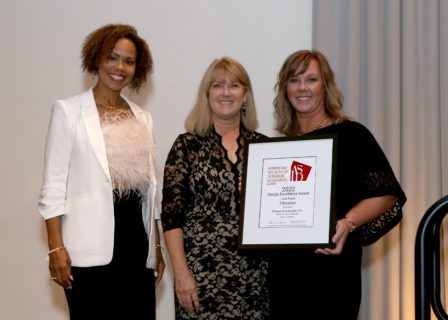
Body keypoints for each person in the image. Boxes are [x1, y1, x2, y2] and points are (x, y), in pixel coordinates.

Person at [269, 49, 407, 320]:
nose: (302, 88)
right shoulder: (281, 147)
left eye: (311, 79)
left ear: (326, 85)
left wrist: (348, 222)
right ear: (285, 88)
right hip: (285, 275)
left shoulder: (352, 135)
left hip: (332, 272)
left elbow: (386, 194)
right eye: (294, 80)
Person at [38, 24, 164, 319]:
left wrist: (156, 247)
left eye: (129, 61)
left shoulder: (143, 117)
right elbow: (53, 186)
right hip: (88, 251)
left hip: (136, 244)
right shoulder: (68, 111)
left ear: (138, 68)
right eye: (112, 57)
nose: (119, 67)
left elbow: (150, 191)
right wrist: (56, 248)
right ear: (96, 58)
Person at [161, 57, 270, 319]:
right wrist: (181, 273)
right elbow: (171, 216)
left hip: (255, 275)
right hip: (200, 274)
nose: (225, 92)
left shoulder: (265, 148)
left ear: (245, 95)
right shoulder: (186, 146)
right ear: (206, 94)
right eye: (217, 85)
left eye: (234, 85)